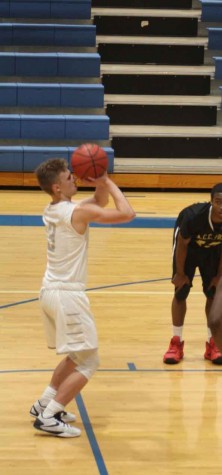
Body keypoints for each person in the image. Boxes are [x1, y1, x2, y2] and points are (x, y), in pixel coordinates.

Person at [30, 157, 135, 438]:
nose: (74, 179)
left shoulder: (53, 208)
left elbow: (97, 204)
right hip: (67, 296)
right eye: (68, 178)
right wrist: (110, 183)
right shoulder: (75, 212)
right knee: (90, 360)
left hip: (50, 291)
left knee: (77, 355)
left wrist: (99, 183)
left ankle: (43, 404)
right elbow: (127, 214)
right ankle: (50, 416)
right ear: (56, 187)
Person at [163, 183, 222, 365]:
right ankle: (176, 342)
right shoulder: (193, 217)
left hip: (212, 250)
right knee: (181, 292)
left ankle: (212, 343)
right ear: (211, 202)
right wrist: (180, 273)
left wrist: (218, 276)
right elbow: (181, 244)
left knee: (213, 292)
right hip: (188, 251)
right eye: (219, 202)